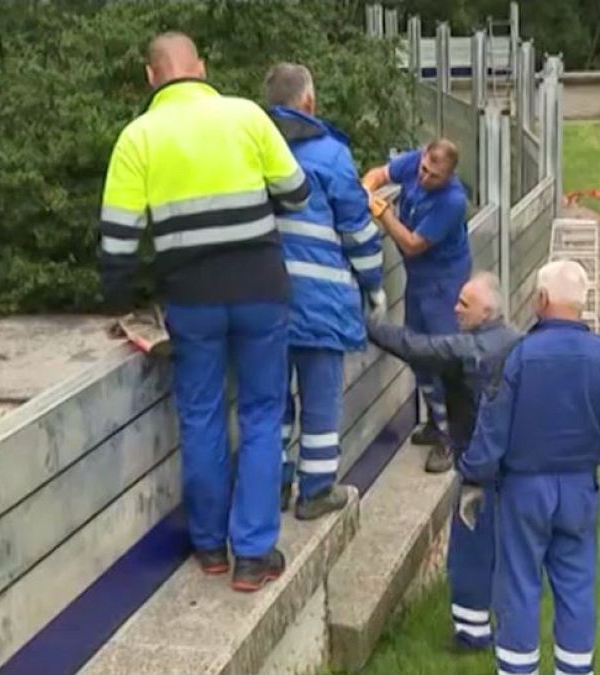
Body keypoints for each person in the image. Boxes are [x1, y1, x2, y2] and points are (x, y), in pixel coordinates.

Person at [97, 33, 310, 592]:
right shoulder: (245, 116)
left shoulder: (137, 137)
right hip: (262, 290)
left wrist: (123, 302)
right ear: (203, 68)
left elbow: (118, 242)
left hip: (190, 298)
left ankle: (210, 546)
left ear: (151, 77)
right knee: (264, 415)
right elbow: (297, 193)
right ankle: (254, 555)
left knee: (202, 414)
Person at [458, 260, 600, 675]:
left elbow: (492, 428)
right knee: (577, 587)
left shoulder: (519, 357)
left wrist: (474, 479)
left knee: (519, 586)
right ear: (583, 303)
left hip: (524, 491)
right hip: (580, 490)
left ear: (541, 300)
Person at [366, 271, 521, 651]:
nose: (455, 308)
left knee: (469, 550)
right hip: (515, 464)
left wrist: (369, 325)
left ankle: (472, 635)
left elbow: (416, 347)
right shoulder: (519, 342)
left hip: (478, 467)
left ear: (486, 311)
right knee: (511, 549)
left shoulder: (468, 351)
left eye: (464, 304)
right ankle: (512, 622)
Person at [263, 63, 385, 520]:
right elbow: (356, 230)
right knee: (320, 402)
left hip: (265, 301)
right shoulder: (331, 155)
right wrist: (375, 286)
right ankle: (315, 492)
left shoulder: (252, 149)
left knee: (271, 403)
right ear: (309, 102)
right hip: (321, 303)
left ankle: (272, 486)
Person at [362, 141, 472, 471]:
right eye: (424, 169)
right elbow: (380, 174)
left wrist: (382, 214)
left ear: (449, 176)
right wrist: (364, 190)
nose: (424, 178)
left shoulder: (452, 201)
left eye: (434, 176)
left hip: (444, 280)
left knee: (441, 354)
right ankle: (434, 421)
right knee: (415, 349)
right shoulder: (415, 162)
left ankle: (451, 438)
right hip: (420, 279)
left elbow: (412, 244)